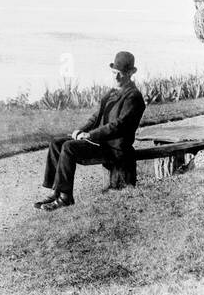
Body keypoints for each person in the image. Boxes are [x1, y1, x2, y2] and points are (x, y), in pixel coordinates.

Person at [36, 51, 147, 211]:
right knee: (56, 143)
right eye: (114, 73)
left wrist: (90, 135)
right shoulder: (111, 93)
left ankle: (65, 198)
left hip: (115, 148)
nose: (116, 77)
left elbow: (119, 125)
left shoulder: (133, 97)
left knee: (68, 147)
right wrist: (81, 130)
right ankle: (57, 191)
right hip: (101, 143)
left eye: (120, 74)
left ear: (130, 73)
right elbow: (96, 117)